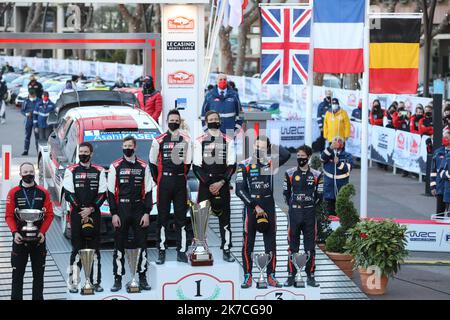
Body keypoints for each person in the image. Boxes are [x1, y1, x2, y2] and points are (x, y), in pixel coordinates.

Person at [236, 136, 290, 289]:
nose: (259, 150)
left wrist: (271, 146)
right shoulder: (244, 164)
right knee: (248, 244)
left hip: (268, 204)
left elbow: (286, 155)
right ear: (253, 147)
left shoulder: (270, 163)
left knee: (271, 243)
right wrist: (254, 206)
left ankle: (271, 276)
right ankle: (248, 276)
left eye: (262, 148)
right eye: (257, 147)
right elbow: (239, 190)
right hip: (251, 206)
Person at [108, 136, 152, 292]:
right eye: (125, 146)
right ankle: (117, 278)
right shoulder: (115, 166)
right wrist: (114, 213)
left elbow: (148, 191)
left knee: (142, 245)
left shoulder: (143, 166)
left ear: (135, 147)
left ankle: (142, 278)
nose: (127, 148)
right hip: (122, 210)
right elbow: (111, 192)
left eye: (130, 145)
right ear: (122, 147)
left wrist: (147, 213)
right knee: (119, 245)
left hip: (139, 209)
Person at [5, 162, 54, 300]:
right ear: (20, 174)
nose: (28, 174)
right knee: (17, 277)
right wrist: (15, 233)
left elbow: (49, 215)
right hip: (19, 241)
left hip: (38, 241)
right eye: (25, 172)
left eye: (31, 171)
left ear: (35, 173)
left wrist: (42, 232)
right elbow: (9, 216)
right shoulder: (13, 192)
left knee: (38, 278)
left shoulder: (43, 192)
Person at [149, 109, 191, 264]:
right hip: (164, 184)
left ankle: (181, 251)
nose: (174, 122)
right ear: (167, 121)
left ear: (180, 122)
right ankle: (161, 251)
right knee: (162, 218)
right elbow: (152, 163)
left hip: (180, 182)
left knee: (181, 219)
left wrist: (179, 176)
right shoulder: (159, 140)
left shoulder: (186, 139)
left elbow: (188, 163)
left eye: (176, 120)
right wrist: (159, 179)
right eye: (171, 120)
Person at [193, 110, 236, 262]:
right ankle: (200, 249)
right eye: (210, 119)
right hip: (206, 185)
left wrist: (221, 182)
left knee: (225, 219)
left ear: (220, 121)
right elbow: (196, 167)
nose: (213, 121)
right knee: (200, 217)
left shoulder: (228, 140)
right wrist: (210, 184)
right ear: (206, 122)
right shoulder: (199, 141)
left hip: (223, 184)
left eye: (215, 119)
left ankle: (226, 249)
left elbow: (232, 165)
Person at [63, 142, 107, 293]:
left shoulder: (99, 171)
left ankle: (95, 282)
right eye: (81, 151)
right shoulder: (71, 170)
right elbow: (68, 193)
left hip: (94, 213)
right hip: (77, 214)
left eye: (86, 151)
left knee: (95, 249)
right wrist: (82, 210)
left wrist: (91, 209)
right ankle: (73, 282)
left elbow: (103, 194)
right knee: (77, 249)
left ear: (91, 153)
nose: (83, 154)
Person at [283, 145, 322, 288]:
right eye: (298, 156)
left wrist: (308, 205)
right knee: (292, 246)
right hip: (294, 214)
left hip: (310, 214)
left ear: (309, 157)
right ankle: (290, 276)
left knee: (310, 247)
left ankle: (310, 276)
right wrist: (294, 205)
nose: (300, 158)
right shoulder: (289, 173)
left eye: (303, 156)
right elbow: (286, 194)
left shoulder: (317, 175)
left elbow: (320, 195)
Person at [320, 136, 353, 216]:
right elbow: (322, 159)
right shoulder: (328, 153)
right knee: (328, 214)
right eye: (335, 140)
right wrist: (330, 148)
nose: (337, 142)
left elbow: (347, 169)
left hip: (341, 190)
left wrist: (338, 163)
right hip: (328, 190)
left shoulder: (347, 156)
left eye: (339, 140)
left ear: (343, 144)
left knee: (342, 215)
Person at [431, 131, 450, 214]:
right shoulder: (438, 152)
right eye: (444, 137)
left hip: (449, 188)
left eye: (447, 138)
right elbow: (433, 171)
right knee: (439, 214)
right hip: (440, 188)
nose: (444, 139)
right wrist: (433, 187)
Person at [21, 90, 41, 156]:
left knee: (37, 137)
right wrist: (27, 114)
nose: (32, 97)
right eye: (31, 95)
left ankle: (38, 151)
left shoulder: (39, 101)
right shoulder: (26, 101)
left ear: (35, 94)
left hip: (36, 120)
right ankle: (25, 150)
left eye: (33, 95)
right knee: (27, 136)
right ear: (29, 95)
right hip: (28, 120)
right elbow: (22, 111)